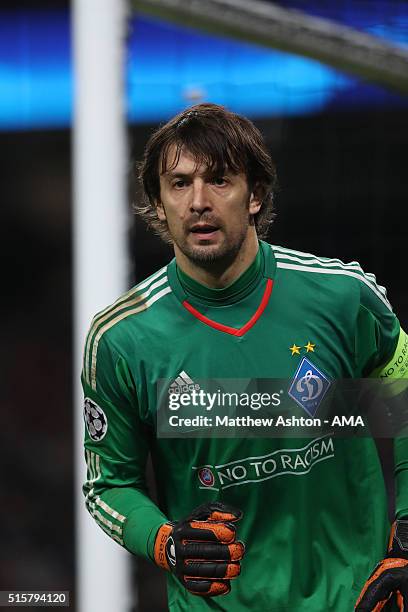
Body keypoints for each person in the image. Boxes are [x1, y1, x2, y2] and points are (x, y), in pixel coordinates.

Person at [82, 103, 408, 611]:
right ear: (158, 202)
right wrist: (165, 541)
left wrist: (407, 533)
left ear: (255, 195)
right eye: (179, 184)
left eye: (219, 181)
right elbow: (108, 487)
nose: (198, 202)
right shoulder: (123, 339)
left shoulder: (343, 297)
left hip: (354, 600)